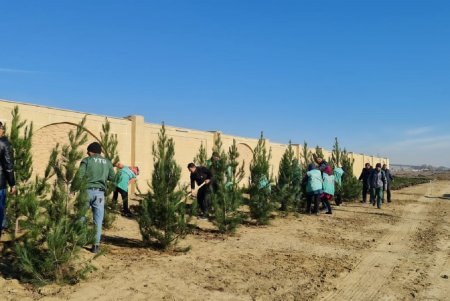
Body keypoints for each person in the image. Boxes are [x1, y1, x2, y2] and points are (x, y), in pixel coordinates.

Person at [77, 142, 115, 253]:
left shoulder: (87, 160)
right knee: (98, 220)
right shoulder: (107, 162)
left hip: (86, 192)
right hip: (100, 194)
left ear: (92, 151)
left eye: (88, 151)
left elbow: (79, 175)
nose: (87, 153)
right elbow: (112, 178)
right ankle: (95, 246)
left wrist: (73, 189)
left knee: (81, 217)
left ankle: (80, 241)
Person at [0, 122, 16, 238]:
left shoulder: (4, 144)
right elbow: (8, 166)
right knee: (0, 208)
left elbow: (8, 165)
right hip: (0, 183)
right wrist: (13, 184)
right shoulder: (5, 144)